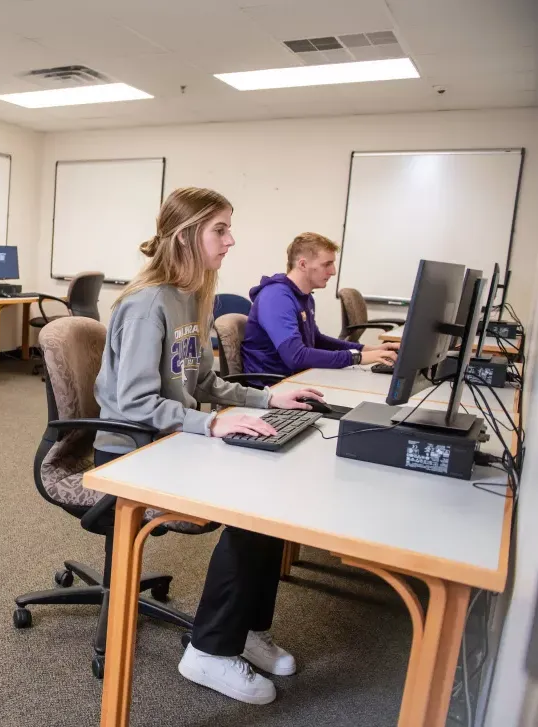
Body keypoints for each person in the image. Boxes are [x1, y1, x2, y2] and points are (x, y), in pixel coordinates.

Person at [94, 187, 325, 706]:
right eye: (219, 229)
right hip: (131, 449)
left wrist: (269, 396)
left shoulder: (193, 298)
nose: (231, 239)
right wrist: (211, 427)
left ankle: (243, 630)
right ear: (184, 236)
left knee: (273, 493)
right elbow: (132, 404)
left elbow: (204, 385)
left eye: (228, 228)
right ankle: (209, 650)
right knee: (252, 504)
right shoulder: (146, 304)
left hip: (172, 438)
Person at [241, 232, 397, 382]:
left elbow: (317, 340)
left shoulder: (304, 296)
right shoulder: (276, 298)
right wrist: (357, 357)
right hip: (273, 387)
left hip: (298, 379)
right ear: (303, 264)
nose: (333, 271)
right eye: (327, 264)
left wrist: (368, 350)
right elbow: (295, 357)